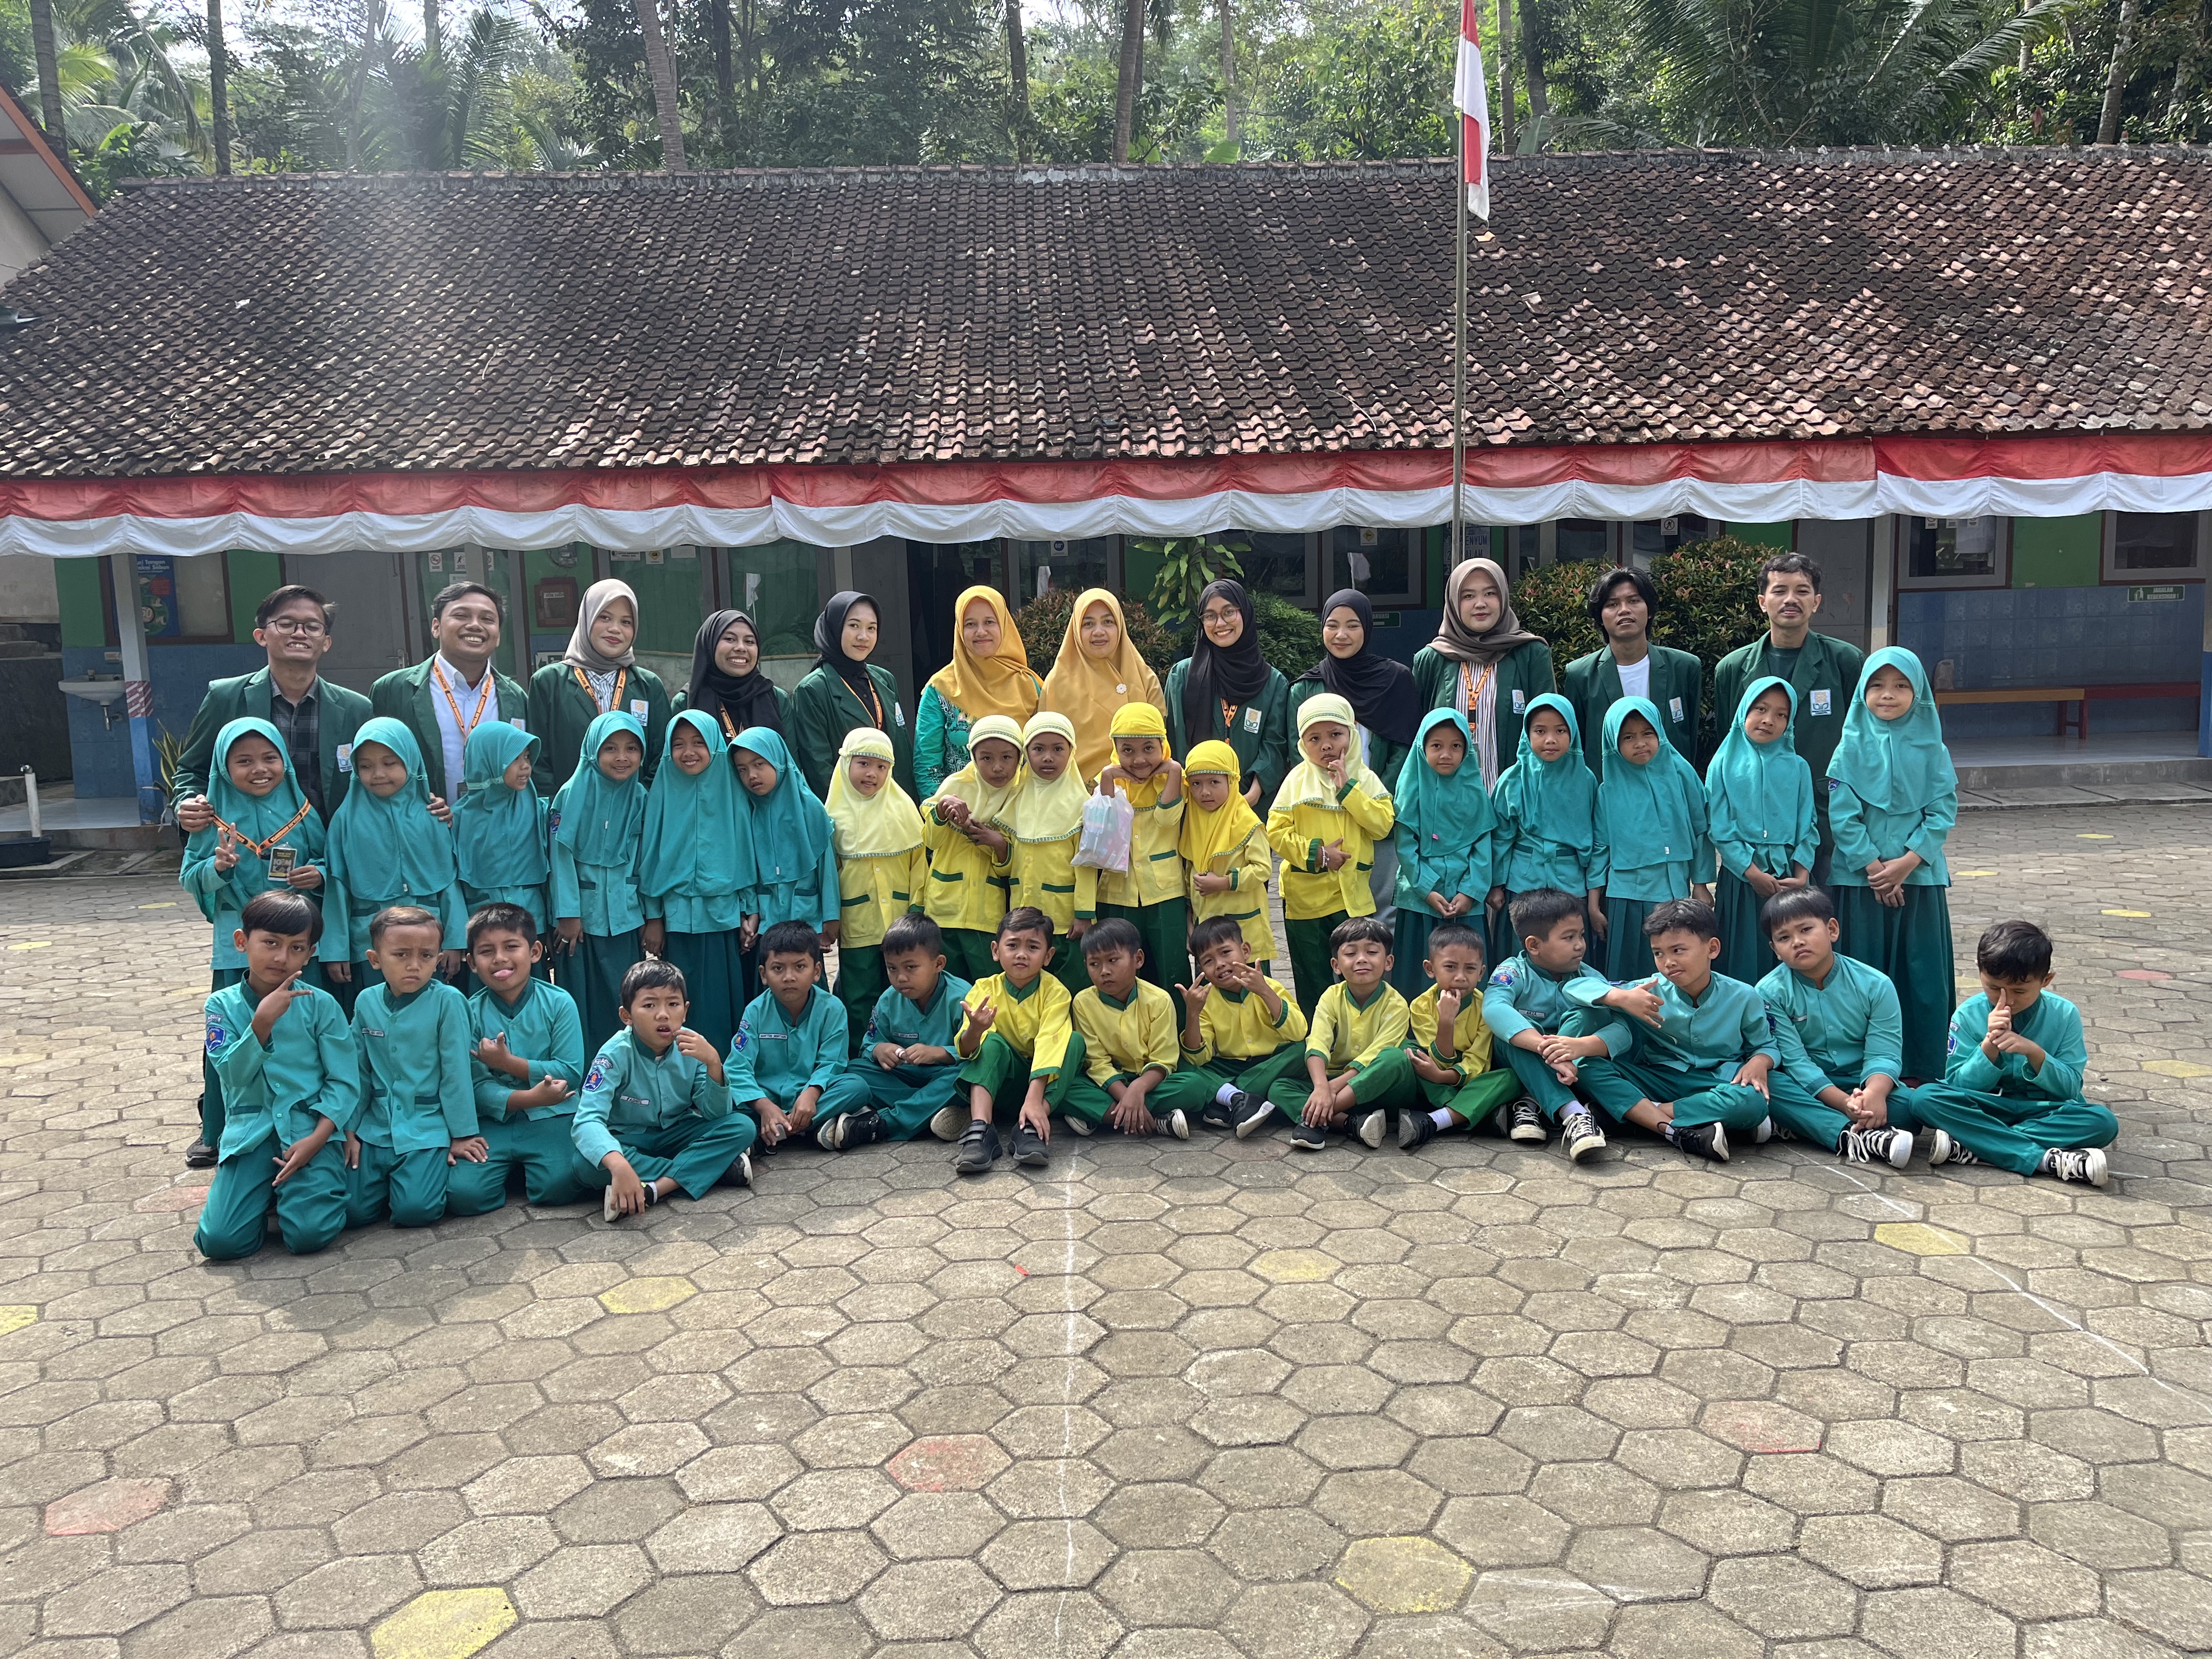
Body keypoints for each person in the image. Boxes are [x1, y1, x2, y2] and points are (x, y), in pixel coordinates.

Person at [179, 718, 341, 1167]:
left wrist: (317, 874)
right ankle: (218, 1129)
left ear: (285, 761)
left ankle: (309, 1118)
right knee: (234, 1026)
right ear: (223, 767)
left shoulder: (302, 811)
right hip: (240, 943)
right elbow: (190, 876)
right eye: (244, 761)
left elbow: (328, 859)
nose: (259, 769)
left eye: (270, 758)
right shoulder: (209, 819)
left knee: (302, 1025)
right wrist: (218, 868)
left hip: (293, 942)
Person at [192, 891, 357, 1261]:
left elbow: (344, 1081)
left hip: (307, 1132)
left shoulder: (321, 1005)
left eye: (296, 948)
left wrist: (319, 1138)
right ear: (241, 941)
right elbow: (231, 1075)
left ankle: (300, 1196)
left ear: (310, 954)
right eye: (270, 943)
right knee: (220, 1242)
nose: (282, 958)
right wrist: (262, 1022)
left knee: (310, 1235)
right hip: (250, 1135)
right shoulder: (221, 1005)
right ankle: (263, 1197)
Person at [1827, 648, 1957, 1081]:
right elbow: (1843, 816)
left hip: (1919, 880)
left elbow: (1943, 813)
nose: (1888, 694)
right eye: (1877, 685)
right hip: (1859, 883)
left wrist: (1907, 863)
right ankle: (1861, 1069)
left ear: (1919, 693)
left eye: (1901, 685)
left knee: (1921, 976)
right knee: (1862, 974)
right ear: (1862, 693)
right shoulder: (1848, 748)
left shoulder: (1934, 749)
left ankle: (1924, 1068)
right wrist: (1873, 867)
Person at [1565, 897, 1777, 1163]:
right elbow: (1574, 987)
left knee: (1753, 1101)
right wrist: (1620, 997)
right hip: (1657, 1078)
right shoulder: (1647, 990)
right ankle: (1684, 1122)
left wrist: (1760, 1060)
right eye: (1658, 953)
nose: (1668, 962)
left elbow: (1765, 1045)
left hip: (1714, 1082)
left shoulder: (1744, 996)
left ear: (1712, 948)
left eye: (1678, 950)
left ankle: (1642, 1115)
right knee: (1587, 1066)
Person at [1915, 919, 2117, 1187]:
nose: (2007, 1000)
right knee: (1925, 1098)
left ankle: (1978, 1145)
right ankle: (2043, 1159)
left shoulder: (2065, 1014)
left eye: (2020, 991)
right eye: (1993, 988)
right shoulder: (1968, 1014)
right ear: (1979, 971)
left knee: (2102, 1122)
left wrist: (2034, 1053)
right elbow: (1957, 1086)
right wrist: (1989, 1046)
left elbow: (2070, 1088)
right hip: (1988, 1107)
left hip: (2043, 1111)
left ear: (2046, 980)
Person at [1710, 553, 1865, 881]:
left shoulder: (1845, 662)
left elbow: (1862, 741)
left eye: (1802, 591)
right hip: (1753, 829)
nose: (1790, 599)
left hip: (1827, 820)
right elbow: (1730, 742)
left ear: (1817, 602)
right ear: (1762, 602)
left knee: (1823, 910)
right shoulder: (1733, 669)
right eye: (1779, 591)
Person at [173, 585, 373, 832]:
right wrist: (187, 801)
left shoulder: (356, 709)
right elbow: (192, 769)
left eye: (312, 627)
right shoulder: (225, 698)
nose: (299, 634)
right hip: (249, 844)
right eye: (286, 624)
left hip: (330, 843)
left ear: (326, 642)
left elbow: (373, 779)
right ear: (261, 636)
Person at [572, 959, 754, 1222]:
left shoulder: (693, 1046)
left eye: (673, 1004)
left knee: (742, 1126)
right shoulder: (613, 1055)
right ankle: (715, 1169)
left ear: (685, 1010)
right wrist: (619, 1164)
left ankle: (656, 1189)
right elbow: (587, 1120)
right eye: (649, 1005)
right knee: (584, 1165)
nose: (663, 1015)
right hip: (631, 1140)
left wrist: (714, 1063)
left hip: (678, 1134)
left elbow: (717, 1115)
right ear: (627, 1016)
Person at [1756, 888, 1916, 1169]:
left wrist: (1874, 1095)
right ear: (1775, 951)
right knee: (1768, 1088)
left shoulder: (1876, 985)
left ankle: (1802, 1125)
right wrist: (1844, 1104)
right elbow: (1796, 1062)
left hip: (1862, 1082)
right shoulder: (1769, 992)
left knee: (1912, 1108)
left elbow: (1884, 1052)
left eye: (1806, 929)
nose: (1797, 942)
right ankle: (1856, 1136)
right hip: (1804, 1087)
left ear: (1832, 929)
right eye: (1784, 938)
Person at [447, 903, 588, 1215]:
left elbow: (570, 1072)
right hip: (495, 1121)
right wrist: (529, 1098)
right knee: (464, 1195)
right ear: (472, 962)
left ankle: (529, 1168)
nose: (500, 958)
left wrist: (508, 1064)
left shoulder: (559, 1003)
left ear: (535, 951)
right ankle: (510, 1169)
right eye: (486, 952)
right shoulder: (468, 1013)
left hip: (553, 1115)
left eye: (511, 947)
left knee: (558, 1186)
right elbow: (473, 1085)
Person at [343, 905, 479, 1228]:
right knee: (351, 1211)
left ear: (439, 958)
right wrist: (348, 1130)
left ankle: (414, 1182)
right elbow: (358, 1071)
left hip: (427, 1127)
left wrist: (462, 1135)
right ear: (375, 959)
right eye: (401, 955)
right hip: (375, 1127)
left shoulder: (449, 1001)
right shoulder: (366, 1001)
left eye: (426, 956)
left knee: (416, 1211)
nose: (414, 965)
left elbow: (457, 1073)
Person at [1293, 590, 1423, 922]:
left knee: (1382, 911)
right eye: (1332, 625)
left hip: (1378, 810)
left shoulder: (1395, 680)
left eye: (1352, 625)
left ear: (1367, 628)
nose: (1341, 634)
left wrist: (1372, 799)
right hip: (1327, 814)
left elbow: (1405, 748)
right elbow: (1299, 755)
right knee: (1334, 912)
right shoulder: (1307, 688)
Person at [1266, 692, 1397, 1017]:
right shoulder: (1296, 781)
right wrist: (1319, 855)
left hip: (1351, 900)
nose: (1326, 745)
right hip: (1305, 901)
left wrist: (1348, 790)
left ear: (1351, 734)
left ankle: (1359, 1033)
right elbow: (1277, 832)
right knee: (1313, 978)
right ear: (1302, 744)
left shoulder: (1365, 779)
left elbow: (1382, 826)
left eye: (1335, 734)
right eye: (1315, 738)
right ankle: (1316, 1038)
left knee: (1358, 974)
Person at [1246, 915, 1415, 1151]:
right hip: (1338, 1083)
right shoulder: (1331, 996)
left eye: (1372, 952)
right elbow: (1317, 1042)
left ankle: (1314, 1119)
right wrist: (1320, 1086)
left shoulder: (1396, 1004)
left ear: (1389, 962)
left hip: (1380, 1088)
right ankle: (1353, 1124)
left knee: (1394, 1058)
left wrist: (1329, 1090)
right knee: (1280, 1088)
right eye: (1351, 953)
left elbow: (1376, 1055)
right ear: (1336, 965)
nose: (1362, 959)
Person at [638, 712, 754, 1056]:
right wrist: (654, 918)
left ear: (716, 746)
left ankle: (720, 1070)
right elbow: (651, 859)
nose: (688, 752)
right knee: (677, 998)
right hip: (676, 921)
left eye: (699, 743)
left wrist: (749, 911)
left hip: (723, 918)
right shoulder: (662, 792)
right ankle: (679, 1071)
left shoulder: (732, 791)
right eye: (678, 744)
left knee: (720, 1000)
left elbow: (746, 855)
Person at [323, 719, 467, 992]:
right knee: (376, 1008)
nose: (378, 774)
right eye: (366, 766)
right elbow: (337, 886)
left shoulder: (433, 815)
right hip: (369, 945)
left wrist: (455, 940)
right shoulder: (346, 820)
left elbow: (449, 881)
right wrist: (336, 949)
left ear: (410, 762)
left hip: (428, 943)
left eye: (390, 763)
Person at [1480, 888, 1617, 1164]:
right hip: (1523, 1060)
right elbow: (1494, 1008)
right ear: (1533, 945)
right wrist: (1547, 1049)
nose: (1580, 945)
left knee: (1587, 1015)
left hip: (1571, 1066)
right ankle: (1575, 1115)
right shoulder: (1513, 971)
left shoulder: (1588, 977)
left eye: (1581, 935)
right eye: (1568, 937)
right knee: (1512, 1036)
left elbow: (1617, 1026)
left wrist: (1574, 1048)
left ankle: (1530, 1103)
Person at [815, 916, 973, 1150]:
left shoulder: (962, 996)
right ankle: (932, 1111)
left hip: (944, 1074)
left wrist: (940, 1053)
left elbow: (977, 1051)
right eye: (892, 968)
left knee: (966, 1077)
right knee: (855, 1070)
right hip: (906, 1077)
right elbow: (869, 1045)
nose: (901, 978)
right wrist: (879, 1050)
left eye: (911, 967)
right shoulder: (889, 999)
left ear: (939, 964)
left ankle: (882, 1124)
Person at [946, 907, 1082, 1175]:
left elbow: (1050, 1042)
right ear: (996, 950)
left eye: (1033, 947)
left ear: (1048, 956)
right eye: (1012, 945)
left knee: (1074, 1042)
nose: (1022, 954)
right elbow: (967, 1050)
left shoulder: (1056, 992)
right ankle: (981, 1130)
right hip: (1003, 1085)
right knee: (991, 1043)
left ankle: (1030, 1125)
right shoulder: (985, 989)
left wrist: (1033, 1100)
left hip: (1045, 1088)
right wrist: (975, 1030)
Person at [370, 581, 527, 811]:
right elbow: (373, 765)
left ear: (498, 636)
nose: (475, 625)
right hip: (422, 823)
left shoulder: (515, 697)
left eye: (487, 619)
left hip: (494, 826)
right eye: (461, 615)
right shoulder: (393, 690)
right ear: (436, 627)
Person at [549, 710, 649, 1056]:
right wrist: (568, 914)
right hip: (581, 923)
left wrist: (647, 914)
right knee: (582, 1000)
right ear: (593, 750)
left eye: (631, 749)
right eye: (610, 748)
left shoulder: (640, 797)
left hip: (625, 918)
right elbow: (560, 856)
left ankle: (626, 1069)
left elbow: (644, 859)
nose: (622, 758)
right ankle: (582, 1069)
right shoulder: (570, 794)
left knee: (625, 997)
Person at [1705, 678, 1816, 986]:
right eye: (1761, 709)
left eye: (1781, 715)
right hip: (1742, 882)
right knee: (1744, 956)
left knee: (1797, 953)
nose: (1769, 720)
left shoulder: (1799, 767)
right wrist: (1752, 872)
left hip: (1790, 878)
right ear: (1744, 711)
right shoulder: (1723, 763)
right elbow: (1719, 825)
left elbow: (1808, 825)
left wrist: (1802, 875)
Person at [1150, 917, 1308, 1132]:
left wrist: (1265, 992)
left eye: (1225, 952)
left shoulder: (1269, 986)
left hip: (1273, 1062)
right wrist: (1193, 1014)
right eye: (1208, 961)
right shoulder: (1206, 1000)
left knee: (1303, 1050)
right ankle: (1240, 1099)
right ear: (1201, 969)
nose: (1220, 964)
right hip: (1228, 1066)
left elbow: (1299, 1032)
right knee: (1180, 1059)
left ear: (1245, 951)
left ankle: (1227, 1097)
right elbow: (1198, 1058)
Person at [825, 727, 929, 1051]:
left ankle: (905, 1052)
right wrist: (831, 917)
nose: (872, 773)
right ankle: (862, 1056)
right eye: (863, 764)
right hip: (858, 924)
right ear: (846, 764)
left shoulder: (904, 811)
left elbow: (918, 866)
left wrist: (917, 909)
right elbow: (830, 874)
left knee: (905, 988)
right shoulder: (832, 818)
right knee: (859, 994)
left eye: (881, 766)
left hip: (901, 921)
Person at [1592, 698, 1712, 980]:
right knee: (1629, 975)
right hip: (1626, 897)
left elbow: (1701, 828)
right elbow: (1600, 848)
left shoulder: (1681, 775)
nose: (1640, 743)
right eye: (1628, 737)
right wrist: (1594, 904)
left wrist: (1701, 884)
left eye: (1648, 733)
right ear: (1613, 743)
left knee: (1678, 969)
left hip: (1674, 891)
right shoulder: (1608, 791)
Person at [1412, 557, 1554, 789]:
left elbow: (1548, 730)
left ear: (1504, 598)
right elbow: (1416, 738)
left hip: (1514, 799)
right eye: (1468, 596)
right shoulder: (1432, 659)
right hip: (1448, 800)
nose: (1480, 604)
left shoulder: (1530, 654)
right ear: (1453, 603)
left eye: (1490, 593)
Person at [1487, 695, 1602, 973]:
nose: (1550, 740)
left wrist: (1593, 894)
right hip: (1522, 883)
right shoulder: (1512, 779)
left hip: (1570, 884)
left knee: (1570, 956)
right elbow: (1500, 837)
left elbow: (1598, 840)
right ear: (1527, 734)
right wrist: (1496, 884)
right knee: (1522, 959)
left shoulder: (1586, 780)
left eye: (1560, 730)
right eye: (1540, 731)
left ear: (1573, 733)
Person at [528, 579, 673, 797]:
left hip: (634, 811)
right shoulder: (548, 682)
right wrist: (557, 808)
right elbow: (538, 759)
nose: (615, 629)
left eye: (626, 622)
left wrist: (642, 803)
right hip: (570, 809)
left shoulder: (649, 686)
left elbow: (661, 756)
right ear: (586, 619)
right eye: (604, 618)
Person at [1390, 710, 1496, 998]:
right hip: (1420, 900)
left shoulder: (1475, 792)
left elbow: (1483, 847)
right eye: (1436, 745)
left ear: (1467, 750)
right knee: (1418, 977)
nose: (1446, 754)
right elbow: (1405, 847)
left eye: (1456, 746)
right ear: (1422, 748)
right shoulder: (1411, 789)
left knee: (1467, 973)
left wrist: (1471, 891)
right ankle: (1418, 1024)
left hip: (1465, 903)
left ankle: (1469, 1024)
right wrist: (1426, 889)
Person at [726, 921, 849, 1157]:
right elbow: (737, 1068)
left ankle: (769, 1134)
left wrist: (811, 1093)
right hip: (765, 1098)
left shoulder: (832, 1009)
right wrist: (764, 1106)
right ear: (764, 975)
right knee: (725, 1100)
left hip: (812, 1098)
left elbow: (832, 1062)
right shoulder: (755, 1011)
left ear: (816, 971)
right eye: (778, 968)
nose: (789, 977)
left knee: (855, 1086)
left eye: (800, 967)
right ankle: (808, 1128)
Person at [1164, 579, 1291, 806]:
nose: (1220, 623)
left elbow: (1275, 745)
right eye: (1210, 616)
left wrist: (1253, 794)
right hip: (1194, 806)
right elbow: (1174, 740)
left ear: (1245, 614)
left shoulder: (1273, 683)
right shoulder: (1182, 676)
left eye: (1229, 612)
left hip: (1252, 809)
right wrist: (1192, 791)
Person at [1562, 567, 1702, 773]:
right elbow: (1577, 747)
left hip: (1671, 785)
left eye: (1634, 601)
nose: (1624, 610)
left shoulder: (1684, 667)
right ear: (1600, 618)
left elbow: (1689, 737)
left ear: (1650, 610)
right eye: (1612, 604)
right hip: (1608, 788)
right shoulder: (1580, 675)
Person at [1398, 919, 1521, 1152]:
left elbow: (1478, 1062)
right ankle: (1475, 1112)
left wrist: (1442, 1077)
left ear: (1482, 972)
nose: (1461, 977)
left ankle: (1437, 1120)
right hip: (1434, 1078)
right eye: (1450, 967)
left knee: (1510, 1077)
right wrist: (1446, 1021)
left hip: (1469, 1079)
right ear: (1430, 969)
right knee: (1409, 1052)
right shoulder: (1421, 1006)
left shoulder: (1488, 1008)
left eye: (1470, 969)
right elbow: (1437, 1062)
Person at [919, 713, 1023, 986]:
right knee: (944, 985)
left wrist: (997, 842)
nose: (997, 767)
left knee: (986, 986)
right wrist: (942, 810)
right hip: (944, 910)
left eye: (1007, 757)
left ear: (1020, 758)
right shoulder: (954, 787)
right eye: (986, 758)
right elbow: (931, 842)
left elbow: (1016, 866)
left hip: (987, 917)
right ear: (973, 757)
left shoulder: (1021, 797)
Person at [915, 586, 1045, 800]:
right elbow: (927, 764)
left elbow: (1046, 753)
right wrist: (942, 809)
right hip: (962, 812)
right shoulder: (940, 689)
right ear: (959, 630)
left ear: (1003, 625)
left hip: (1022, 810)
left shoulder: (1029, 685)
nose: (981, 631)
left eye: (989, 622)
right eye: (970, 624)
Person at [1092, 703, 1188, 991]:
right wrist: (1107, 778)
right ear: (1115, 749)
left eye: (1149, 748)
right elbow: (1105, 829)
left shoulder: (1174, 781)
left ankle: (1179, 1020)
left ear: (1163, 744)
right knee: (1120, 968)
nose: (1139, 760)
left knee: (1171, 966)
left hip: (1164, 891)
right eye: (1128, 750)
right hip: (1117, 891)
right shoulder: (1107, 781)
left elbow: (1166, 819)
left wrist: (1174, 770)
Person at [1063, 918, 1187, 1139]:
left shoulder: (1159, 1000)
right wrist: (1126, 1095)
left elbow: (1164, 1059)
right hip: (1108, 1084)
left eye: (1113, 960)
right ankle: (1154, 1121)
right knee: (1066, 1088)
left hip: (1151, 1082)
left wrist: (1137, 1089)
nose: (1104, 971)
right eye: (1094, 964)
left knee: (1193, 1086)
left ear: (1138, 959)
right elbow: (1097, 1063)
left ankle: (1105, 1116)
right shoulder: (1082, 1003)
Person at [730, 727, 840, 972]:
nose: (752, 775)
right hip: (765, 923)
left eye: (759, 764)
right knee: (770, 977)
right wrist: (749, 912)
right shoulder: (747, 810)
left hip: (806, 921)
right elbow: (745, 869)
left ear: (778, 760)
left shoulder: (809, 808)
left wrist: (830, 918)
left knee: (806, 977)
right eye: (742, 769)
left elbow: (827, 870)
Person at [787, 590, 915, 799]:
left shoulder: (884, 679)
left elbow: (901, 751)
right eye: (854, 626)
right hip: (851, 808)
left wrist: (908, 804)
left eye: (871, 628)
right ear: (835, 628)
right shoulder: (812, 689)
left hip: (897, 806)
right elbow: (819, 768)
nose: (863, 636)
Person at [1006, 711, 1097, 994]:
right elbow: (1010, 858)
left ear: (1071, 752)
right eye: (1038, 749)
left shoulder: (1082, 804)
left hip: (1065, 918)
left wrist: (1084, 914)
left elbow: (1087, 864)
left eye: (1058, 749)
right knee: (1029, 984)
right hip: (1023, 911)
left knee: (1071, 985)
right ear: (1026, 753)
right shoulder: (1015, 798)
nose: (1048, 758)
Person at [1043, 588, 1166, 786]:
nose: (1099, 631)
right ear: (1076, 630)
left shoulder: (1144, 678)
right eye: (1088, 624)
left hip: (1141, 792)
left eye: (1108, 622)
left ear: (1120, 626)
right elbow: (1044, 747)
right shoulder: (1057, 683)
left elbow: (1161, 742)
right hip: (1076, 794)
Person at [450, 723, 551, 957]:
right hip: (482, 934)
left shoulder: (539, 811)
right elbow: (451, 884)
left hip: (531, 929)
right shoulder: (457, 820)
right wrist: (454, 941)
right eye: (515, 758)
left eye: (527, 757)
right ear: (487, 760)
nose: (525, 766)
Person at [1177, 741, 1275, 973]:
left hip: (1243, 929)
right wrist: (1190, 919)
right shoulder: (1192, 822)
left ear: (1231, 781)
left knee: (1251, 983)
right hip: (1206, 929)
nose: (1205, 792)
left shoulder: (1247, 823)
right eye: (1196, 784)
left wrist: (1225, 882)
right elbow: (1190, 871)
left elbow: (1262, 869)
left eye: (1214, 782)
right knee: (1213, 987)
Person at [674, 609, 791, 753]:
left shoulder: (776, 698)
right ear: (710, 644)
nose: (741, 648)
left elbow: (791, 761)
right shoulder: (686, 701)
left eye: (749, 641)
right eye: (730, 639)